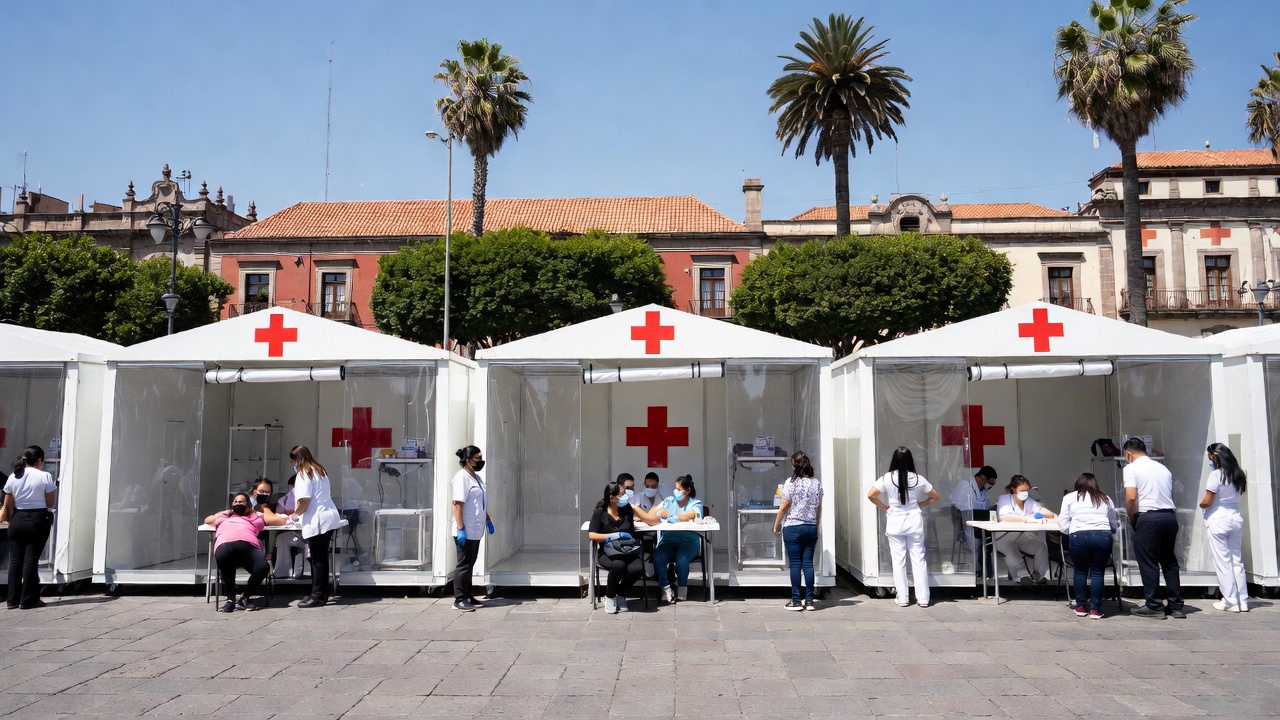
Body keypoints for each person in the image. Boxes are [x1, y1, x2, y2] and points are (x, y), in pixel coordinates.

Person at [867, 447, 939, 608]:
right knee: (918, 559)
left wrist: (885, 507)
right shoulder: (918, 479)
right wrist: (920, 504)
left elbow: (871, 494)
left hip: (895, 522)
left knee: (898, 561)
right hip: (914, 522)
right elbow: (935, 496)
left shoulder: (887, 478)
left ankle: (903, 598)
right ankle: (923, 599)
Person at [1123, 437, 1184, 619]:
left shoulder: (1131, 468)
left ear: (1128, 453)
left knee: (1148, 561)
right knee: (1169, 561)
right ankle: (1176, 605)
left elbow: (1131, 497)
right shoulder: (1163, 468)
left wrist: (1131, 517)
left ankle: (1154, 605)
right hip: (1169, 517)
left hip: (1148, 517)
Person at [205, 492, 287, 612]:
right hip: (225, 543)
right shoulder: (226, 516)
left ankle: (244, 598)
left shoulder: (255, 517)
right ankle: (230, 598)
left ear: (248, 505)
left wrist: (264, 507)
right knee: (225, 557)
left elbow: (279, 521)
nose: (238, 503)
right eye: (235, 502)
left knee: (263, 567)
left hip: (248, 545)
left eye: (241, 502)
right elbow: (208, 520)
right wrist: (225, 513)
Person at [288, 445, 342, 609]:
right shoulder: (319, 470)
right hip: (327, 517)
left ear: (296, 459)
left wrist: (296, 514)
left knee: (317, 559)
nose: (293, 464)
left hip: (317, 520)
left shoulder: (304, 473)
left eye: (292, 461)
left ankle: (317, 596)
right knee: (321, 558)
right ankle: (320, 594)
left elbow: (304, 499)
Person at [1058, 473, 1118, 619]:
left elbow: (1063, 522)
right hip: (1102, 535)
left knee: (1080, 571)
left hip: (1078, 535)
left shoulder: (1070, 497)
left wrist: (1071, 531)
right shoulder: (1105, 497)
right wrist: (1110, 531)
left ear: (1078, 484)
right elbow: (1113, 522)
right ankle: (1095, 609)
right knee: (1097, 572)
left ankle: (1080, 606)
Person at [3, 446, 56, 610]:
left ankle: (12, 599)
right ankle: (29, 599)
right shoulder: (45, 476)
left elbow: (8, 505)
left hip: (17, 519)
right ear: (40, 460)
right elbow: (51, 502)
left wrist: (11, 520)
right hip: (37, 519)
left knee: (15, 561)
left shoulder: (13, 476)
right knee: (31, 560)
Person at [635, 475, 703, 603]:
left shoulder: (695, 503)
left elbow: (694, 513)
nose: (676, 492)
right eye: (675, 489)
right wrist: (659, 508)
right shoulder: (669, 501)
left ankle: (682, 589)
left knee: (682, 560)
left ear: (688, 490)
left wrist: (676, 517)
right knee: (658, 556)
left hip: (688, 542)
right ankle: (665, 588)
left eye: (679, 489)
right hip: (668, 540)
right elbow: (652, 514)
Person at [1200, 443, 1248, 612]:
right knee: (1237, 561)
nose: (1210, 461)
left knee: (1223, 561)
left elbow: (1208, 500)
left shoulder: (1216, 475)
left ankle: (1230, 600)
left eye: (1210, 457)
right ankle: (1242, 600)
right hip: (1235, 518)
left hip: (1218, 519)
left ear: (1215, 456)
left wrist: (1200, 505)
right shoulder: (1238, 474)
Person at [773, 450, 823, 611]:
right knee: (808, 563)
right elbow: (819, 507)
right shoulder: (816, 483)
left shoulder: (791, 482)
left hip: (793, 527)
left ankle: (796, 600)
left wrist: (776, 524)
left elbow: (784, 505)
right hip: (810, 527)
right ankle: (809, 601)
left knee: (795, 564)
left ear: (795, 465)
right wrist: (816, 524)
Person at [588, 481, 643, 614]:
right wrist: (613, 536)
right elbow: (592, 535)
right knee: (619, 565)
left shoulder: (627, 509)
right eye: (621, 494)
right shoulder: (600, 512)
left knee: (638, 568)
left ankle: (621, 593)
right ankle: (610, 596)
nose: (625, 497)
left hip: (626, 550)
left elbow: (631, 529)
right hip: (607, 552)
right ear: (612, 497)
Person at [993, 475, 1056, 584]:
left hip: (1021, 537)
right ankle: (1022, 577)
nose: (1025, 493)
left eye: (1027, 490)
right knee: (1013, 554)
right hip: (1004, 538)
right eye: (1022, 491)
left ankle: (1041, 576)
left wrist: (1043, 514)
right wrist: (1026, 519)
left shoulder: (1029, 501)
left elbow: (1046, 513)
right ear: (1014, 490)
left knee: (1041, 546)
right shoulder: (1004, 499)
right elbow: (1005, 517)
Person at [452, 445, 493, 612]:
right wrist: (460, 529)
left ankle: (468, 596)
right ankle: (459, 599)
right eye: (477, 458)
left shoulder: (476, 477)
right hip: (466, 530)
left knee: (470, 563)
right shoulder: (461, 478)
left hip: (476, 529)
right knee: (463, 565)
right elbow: (457, 505)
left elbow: (478, 502)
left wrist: (487, 518)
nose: (480, 461)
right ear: (468, 460)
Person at [951, 465, 997, 577]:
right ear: (983, 478)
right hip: (966, 524)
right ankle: (977, 570)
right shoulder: (965, 485)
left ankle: (987, 571)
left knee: (991, 539)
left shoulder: (984, 491)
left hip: (982, 523)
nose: (990, 485)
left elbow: (985, 507)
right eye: (990, 482)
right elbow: (958, 508)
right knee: (976, 542)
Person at [272, 474, 306, 579]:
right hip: (294, 533)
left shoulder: (311, 498)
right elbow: (277, 516)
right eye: (292, 486)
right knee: (281, 538)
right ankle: (282, 572)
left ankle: (308, 572)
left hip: (310, 534)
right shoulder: (285, 500)